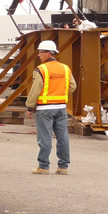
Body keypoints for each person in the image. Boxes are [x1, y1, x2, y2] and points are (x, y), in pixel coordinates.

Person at [25, 40, 77, 175]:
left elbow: (35, 90)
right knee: (63, 137)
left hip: (45, 109)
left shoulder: (41, 69)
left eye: (40, 52)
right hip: (61, 107)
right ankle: (63, 167)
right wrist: (59, 93)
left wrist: (30, 107)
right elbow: (72, 86)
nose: (38, 55)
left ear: (48, 53)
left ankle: (43, 166)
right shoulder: (65, 68)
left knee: (45, 138)